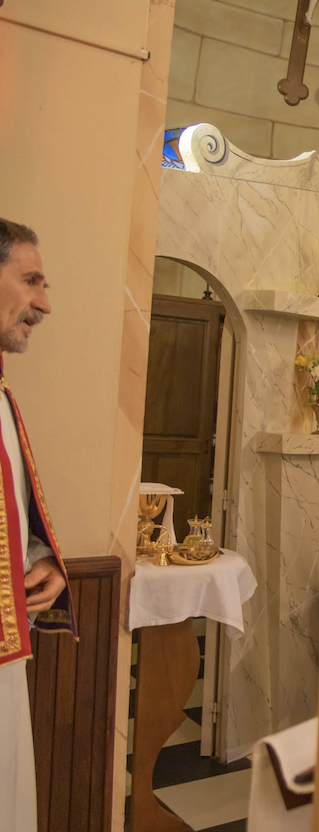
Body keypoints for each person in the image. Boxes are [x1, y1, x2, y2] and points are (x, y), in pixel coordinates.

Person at [0, 219, 74, 832]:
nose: (44, 303)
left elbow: (11, 505)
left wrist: (38, 557)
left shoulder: (2, 396)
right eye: (31, 281)